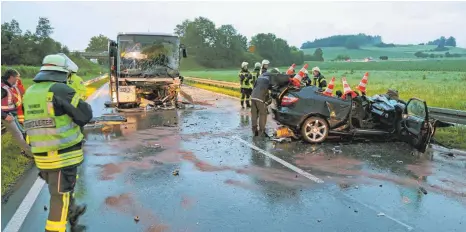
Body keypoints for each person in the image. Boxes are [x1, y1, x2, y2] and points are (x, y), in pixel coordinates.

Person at [22, 54, 93, 232]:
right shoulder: (61, 90)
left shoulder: (31, 91)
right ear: (65, 73)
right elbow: (85, 115)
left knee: (60, 189)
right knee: (59, 198)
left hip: (41, 155)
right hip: (63, 155)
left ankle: (73, 211)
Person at [2, 69, 32, 156]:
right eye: (16, 78)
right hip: (6, 115)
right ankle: (32, 154)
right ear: (11, 77)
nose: (17, 80)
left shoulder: (9, 86)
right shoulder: (2, 88)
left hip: (11, 114)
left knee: (20, 133)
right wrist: (4, 116)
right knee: (18, 134)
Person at [251, 68, 280, 137]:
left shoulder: (261, 76)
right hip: (260, 98)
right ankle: (262, 131)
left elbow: (255, 85)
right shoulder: (271, 78)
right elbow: (273, 89)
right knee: (263, 114)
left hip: (253, 96)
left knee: (254, 114)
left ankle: (254, 130)